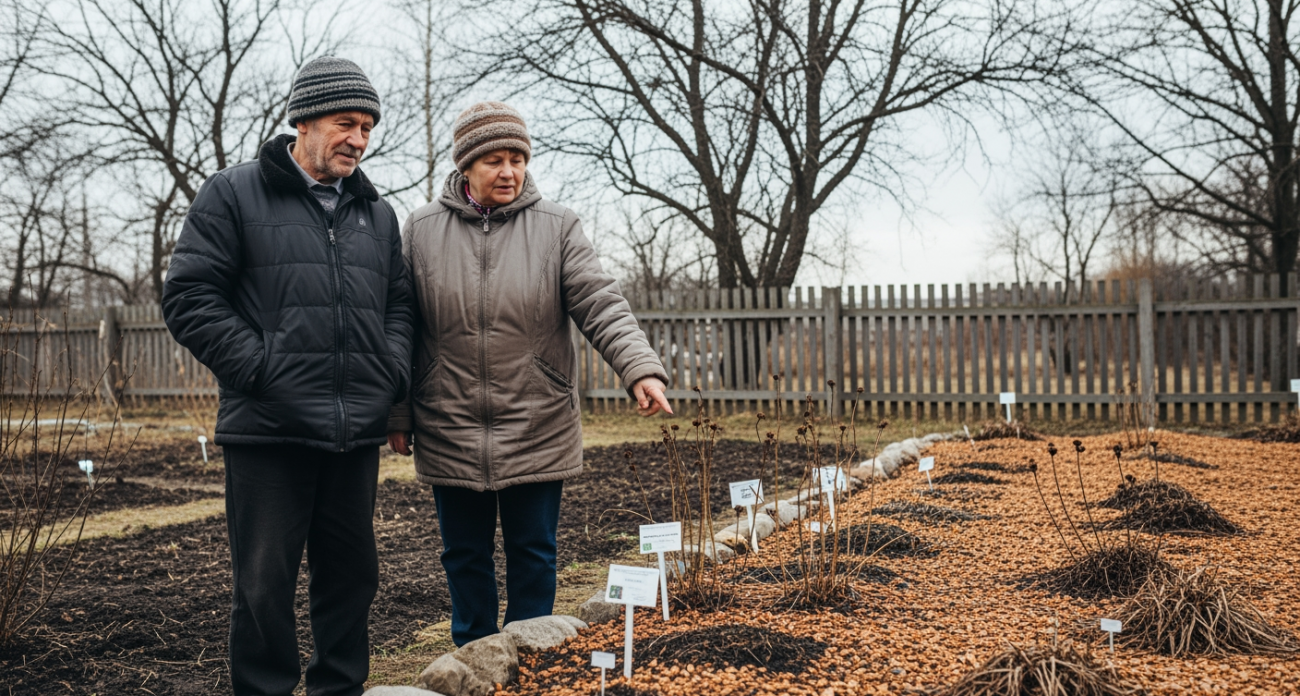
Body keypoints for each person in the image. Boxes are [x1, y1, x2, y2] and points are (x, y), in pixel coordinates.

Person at [162, 56, 412, 696]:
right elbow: (190, 296)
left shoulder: (377, 213)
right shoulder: (233, 193)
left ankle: (340, 688)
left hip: (354, 431)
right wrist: (262, 369)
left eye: (367, 128)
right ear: (303, 121)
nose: (358, 139)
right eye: (345, 123)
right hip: (268, 428)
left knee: (352, 578)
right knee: (263, 585)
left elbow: (399, 306)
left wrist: (387, 374)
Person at [386, 101, 671, 647]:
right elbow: (402, 322)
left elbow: (599, 301)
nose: (509, 171)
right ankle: (473, 654)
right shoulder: (421, 229)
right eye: (494, 160)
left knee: (533, 551)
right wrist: (399, 410)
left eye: (517, 159)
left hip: (537, 416)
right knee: (463, 553)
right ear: (466, 165)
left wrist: (639, 369)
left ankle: (533, 652)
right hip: (449, 418)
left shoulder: (557, 225)